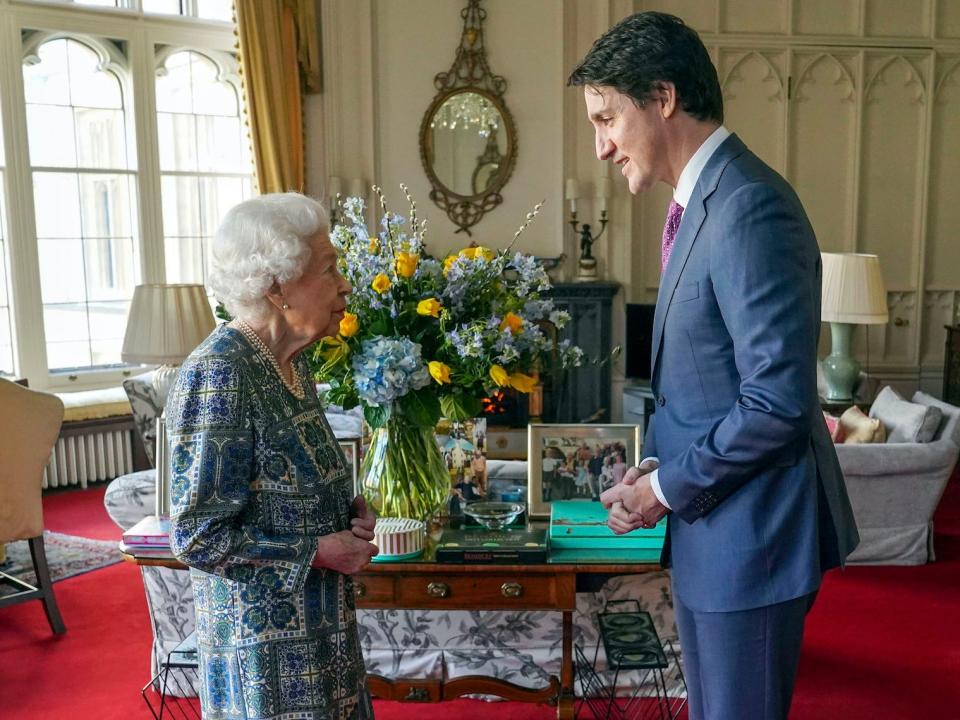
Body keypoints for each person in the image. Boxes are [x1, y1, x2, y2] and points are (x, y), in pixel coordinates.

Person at [569, 13, 860, 720]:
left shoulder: (749, 205)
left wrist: (664, 489)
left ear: (662, 98)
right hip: (719, 533)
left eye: (607, 119)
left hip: (752, 543)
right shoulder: (704, 201)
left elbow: (776, 405)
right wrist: (653, 470)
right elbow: (708, 388)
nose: (602, 147)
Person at [166, 192, 378, 720]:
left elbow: (281, 488)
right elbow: (197, 537)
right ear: (278, 284)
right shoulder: (221, 372)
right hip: (264, 665)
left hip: (322, 639)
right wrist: (320, 551)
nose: (345, 285)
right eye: (330, 270)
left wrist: (346, 511)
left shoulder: (292, 364)